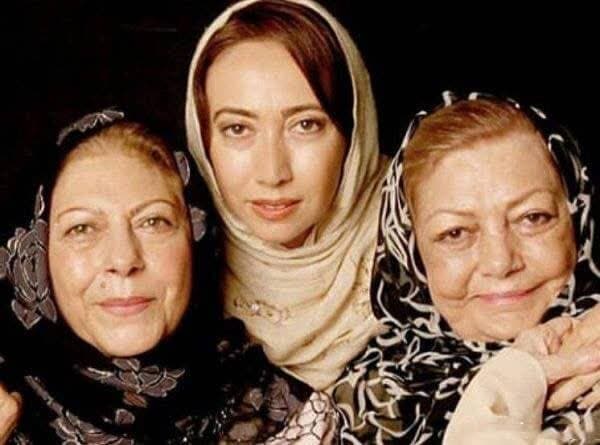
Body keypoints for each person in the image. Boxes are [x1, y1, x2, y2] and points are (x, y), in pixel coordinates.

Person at [0, 108, 336, 444]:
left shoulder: (290, 422)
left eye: (153, 222)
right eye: (82, 228)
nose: (124, 259)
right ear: (36, 258)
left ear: (197, 239)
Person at [332, 92, 600, 444]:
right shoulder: (369, 405)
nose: (500, 263)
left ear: (577, 218)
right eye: (455, 233)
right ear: (411, 254)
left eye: (532, 218)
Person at [185, 0, 388, 391]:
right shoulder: (170, 260)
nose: (272, 172)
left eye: (305, 125)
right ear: (202, 139)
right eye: (237, 129)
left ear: (352, 132)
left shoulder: (429, 233)